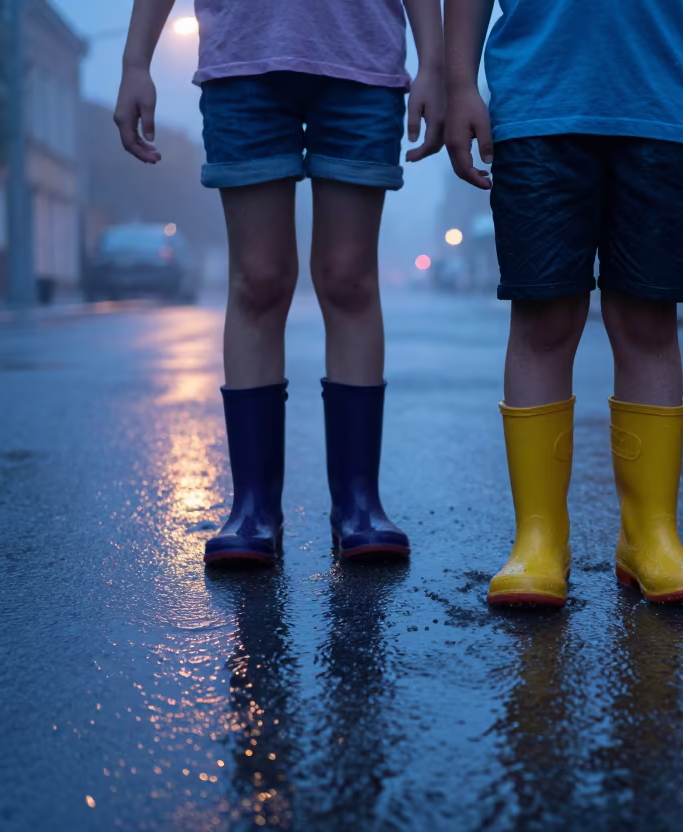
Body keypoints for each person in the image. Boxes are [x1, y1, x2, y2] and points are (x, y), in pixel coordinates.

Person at [444, 0, 683, 606]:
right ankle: (539, 539)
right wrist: (459, 83)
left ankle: (649, 537)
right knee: (542, 320)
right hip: (537, 102)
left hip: (663, 102)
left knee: (649, 321)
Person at [113, 0, 445, 566]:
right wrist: (134, 62)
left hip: (363, 58)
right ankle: (254, 507)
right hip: (242, 57)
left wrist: (435, 64)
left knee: (349, 279)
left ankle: (358, 503)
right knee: (257, 280)